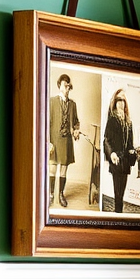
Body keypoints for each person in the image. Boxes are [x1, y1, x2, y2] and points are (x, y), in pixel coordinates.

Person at [48, 71, 81, 209]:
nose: (67, 88)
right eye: (65, 85)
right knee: (52, 169)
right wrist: (48, 142)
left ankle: (61, 194)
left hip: (67, 140)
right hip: (54, 141)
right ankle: (50, 195)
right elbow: (46, 123)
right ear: (59, 86)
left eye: (69, 86)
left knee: (63, 170)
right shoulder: (52, 101)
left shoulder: (73, 104)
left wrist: (76, 129)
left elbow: (76, 122)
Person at [103, 88, 136, 214]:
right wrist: (111, 153)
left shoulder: (128, 122)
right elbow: (106, 140)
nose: (121, 102)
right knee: (117, 192)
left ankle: (119, 213)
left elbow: (130, 145)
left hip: (126, 161)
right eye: (119, 100)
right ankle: (118, 214)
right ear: (115, 102)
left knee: (122, 192)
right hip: (116, 160)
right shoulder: (112, 120)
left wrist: (132, 151)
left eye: (123, 100)